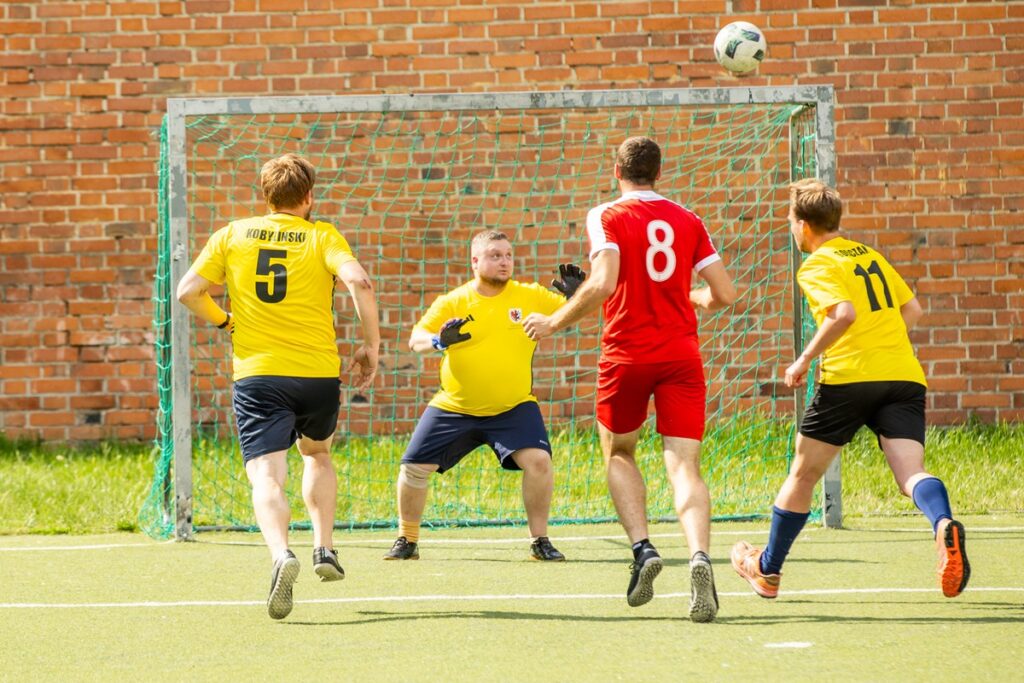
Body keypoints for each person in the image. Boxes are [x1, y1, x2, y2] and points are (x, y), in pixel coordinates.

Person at [523, 136, 737, 623]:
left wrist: (554, 320)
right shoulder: (689, 220)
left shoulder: (607, 215)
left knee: (620, 451)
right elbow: (724, 292)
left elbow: (604, 283)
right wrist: (694, 299)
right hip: (681, 355)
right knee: (685, 465)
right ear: (659, 174)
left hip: (627, 354)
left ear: (616, 170)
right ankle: (701, 557)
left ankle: (643, 549)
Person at [729, 178, 969, 600]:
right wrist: (882, 344)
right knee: (911, 473)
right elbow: (912, 309)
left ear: (804, 225)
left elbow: (843, 314)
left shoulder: (817, 264)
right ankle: (943, 524)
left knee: (803, 474)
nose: (791, 228)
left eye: (790, 221)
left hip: (848, 378)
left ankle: (766, 570)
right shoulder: (871, 255)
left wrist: (803, 360)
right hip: (902, 375)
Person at [176, 153, 380, 620]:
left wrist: (226, 320)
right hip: (318, 375)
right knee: (317, 454)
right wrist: (371, 347)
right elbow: (360, 282)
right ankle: (324, 548)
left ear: (266, 196)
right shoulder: (322, 234)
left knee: (266, 475)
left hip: (259, 374)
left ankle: (280, 555)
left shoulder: (233, 234)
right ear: (308, 197)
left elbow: (188, 291)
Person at [383, 230, 586, 563]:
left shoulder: (530, 295)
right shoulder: (454, 301)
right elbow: (415, 340)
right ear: (475, 261)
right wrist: (439, 342)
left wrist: (576, 297)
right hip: (455, 406)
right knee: (413, 468)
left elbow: (577, 310)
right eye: (494, 255)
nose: (504, 261)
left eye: (507, 255)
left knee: (539, 463)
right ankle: (407, 539)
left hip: (513, 407)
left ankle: (539, 540)